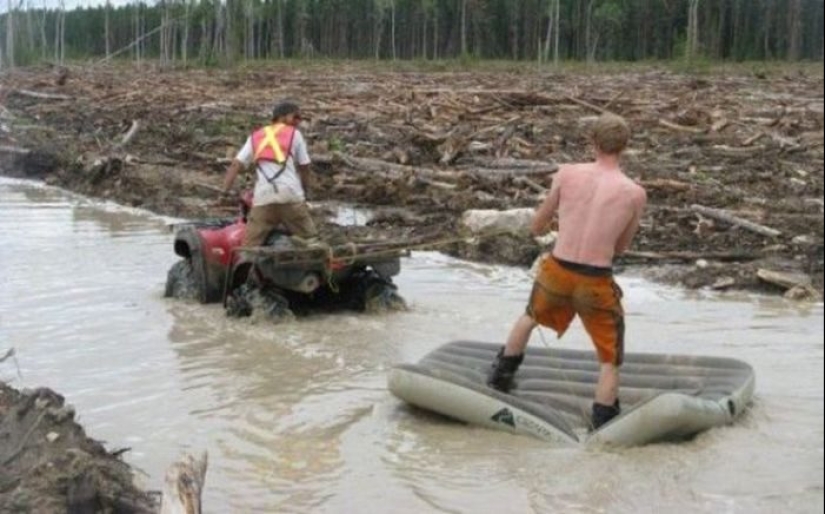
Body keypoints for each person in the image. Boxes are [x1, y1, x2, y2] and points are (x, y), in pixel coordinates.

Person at [486, 114, 647, 431]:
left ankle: (498, 380)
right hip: (596, 280)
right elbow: (621, 248)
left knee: (529, 318)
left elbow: (537, 225)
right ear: (624, 147)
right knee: (609, 359)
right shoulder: (634, 193)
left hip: (558, 271)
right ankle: (602, 421)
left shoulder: (567, 174)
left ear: (593, 142)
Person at [222, 101, 318, 247]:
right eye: (296, 117)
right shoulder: (295, 134)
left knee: (249, 248)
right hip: (290, 196)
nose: (298, 121)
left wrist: (223, 193)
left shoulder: (256, 136)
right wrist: (306, 193)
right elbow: (305, 167)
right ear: (282, 117)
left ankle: (247, 267)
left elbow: (236, 165)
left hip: (263, 198)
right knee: (311, 242)